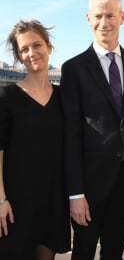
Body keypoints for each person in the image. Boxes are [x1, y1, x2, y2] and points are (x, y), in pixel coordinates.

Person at [60, 0, 124, 260]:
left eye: (110, 15)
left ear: (122, 17)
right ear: (88, 19)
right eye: (98, 16)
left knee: (115, 252)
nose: (105, 22)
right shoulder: (73, 68)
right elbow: (71, 135)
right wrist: (75, 192)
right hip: (88, 184)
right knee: (84, 252)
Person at [0, 20, 71, 260]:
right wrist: (1, 200)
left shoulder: (64, 97)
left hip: (53, 199)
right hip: (16, 202)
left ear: (49, 47)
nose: (32, 53)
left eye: (37, 45)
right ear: (19, 57)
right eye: (24, 49)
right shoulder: (7, 96)